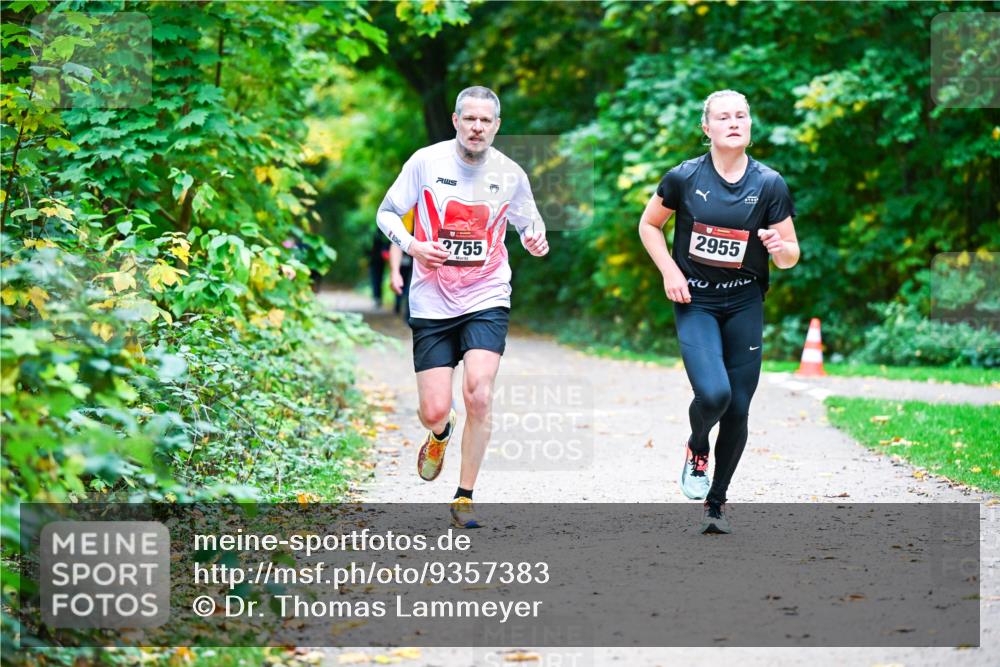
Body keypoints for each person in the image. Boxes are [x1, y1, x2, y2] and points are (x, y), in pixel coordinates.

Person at [376, 86, 549, 528]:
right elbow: (387, 213)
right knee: (433, 410)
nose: (477, 127)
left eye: (485, 120)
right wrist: (413, 245)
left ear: (497, 126)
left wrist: (535, 238)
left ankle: (464, 496)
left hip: (486, 293)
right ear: (456, 121)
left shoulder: (510, 174)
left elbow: (530, 222)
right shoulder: (426, 162)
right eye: (469, 119)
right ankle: (440, 432)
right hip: (432, 298)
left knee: (479, 393)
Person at [637, 90, 800, 534]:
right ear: (706, 128)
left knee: (739, 408)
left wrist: (779, 247)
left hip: (744, 301)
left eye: (741, 116)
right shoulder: (684, 177)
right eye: (724, 117)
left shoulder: (769, 183)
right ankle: (697, 446)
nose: (734, 123)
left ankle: (716, 503)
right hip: (696, 301)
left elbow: (791, 255)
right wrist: (670, 270)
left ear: (750, 126)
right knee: (713, 396)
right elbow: (649, 224)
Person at [389, 209, 415, 319]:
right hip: (412, 261)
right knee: (408, 287)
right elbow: (397, 241)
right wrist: (395, 272)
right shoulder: (413, 210)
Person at [369, 228, 390, 310]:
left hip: (376, 262)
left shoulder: (377, 236)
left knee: (376, 280)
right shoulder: (383, 237)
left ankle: (377, 298)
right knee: (378, 280)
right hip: (379, 262)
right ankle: (377, 298)